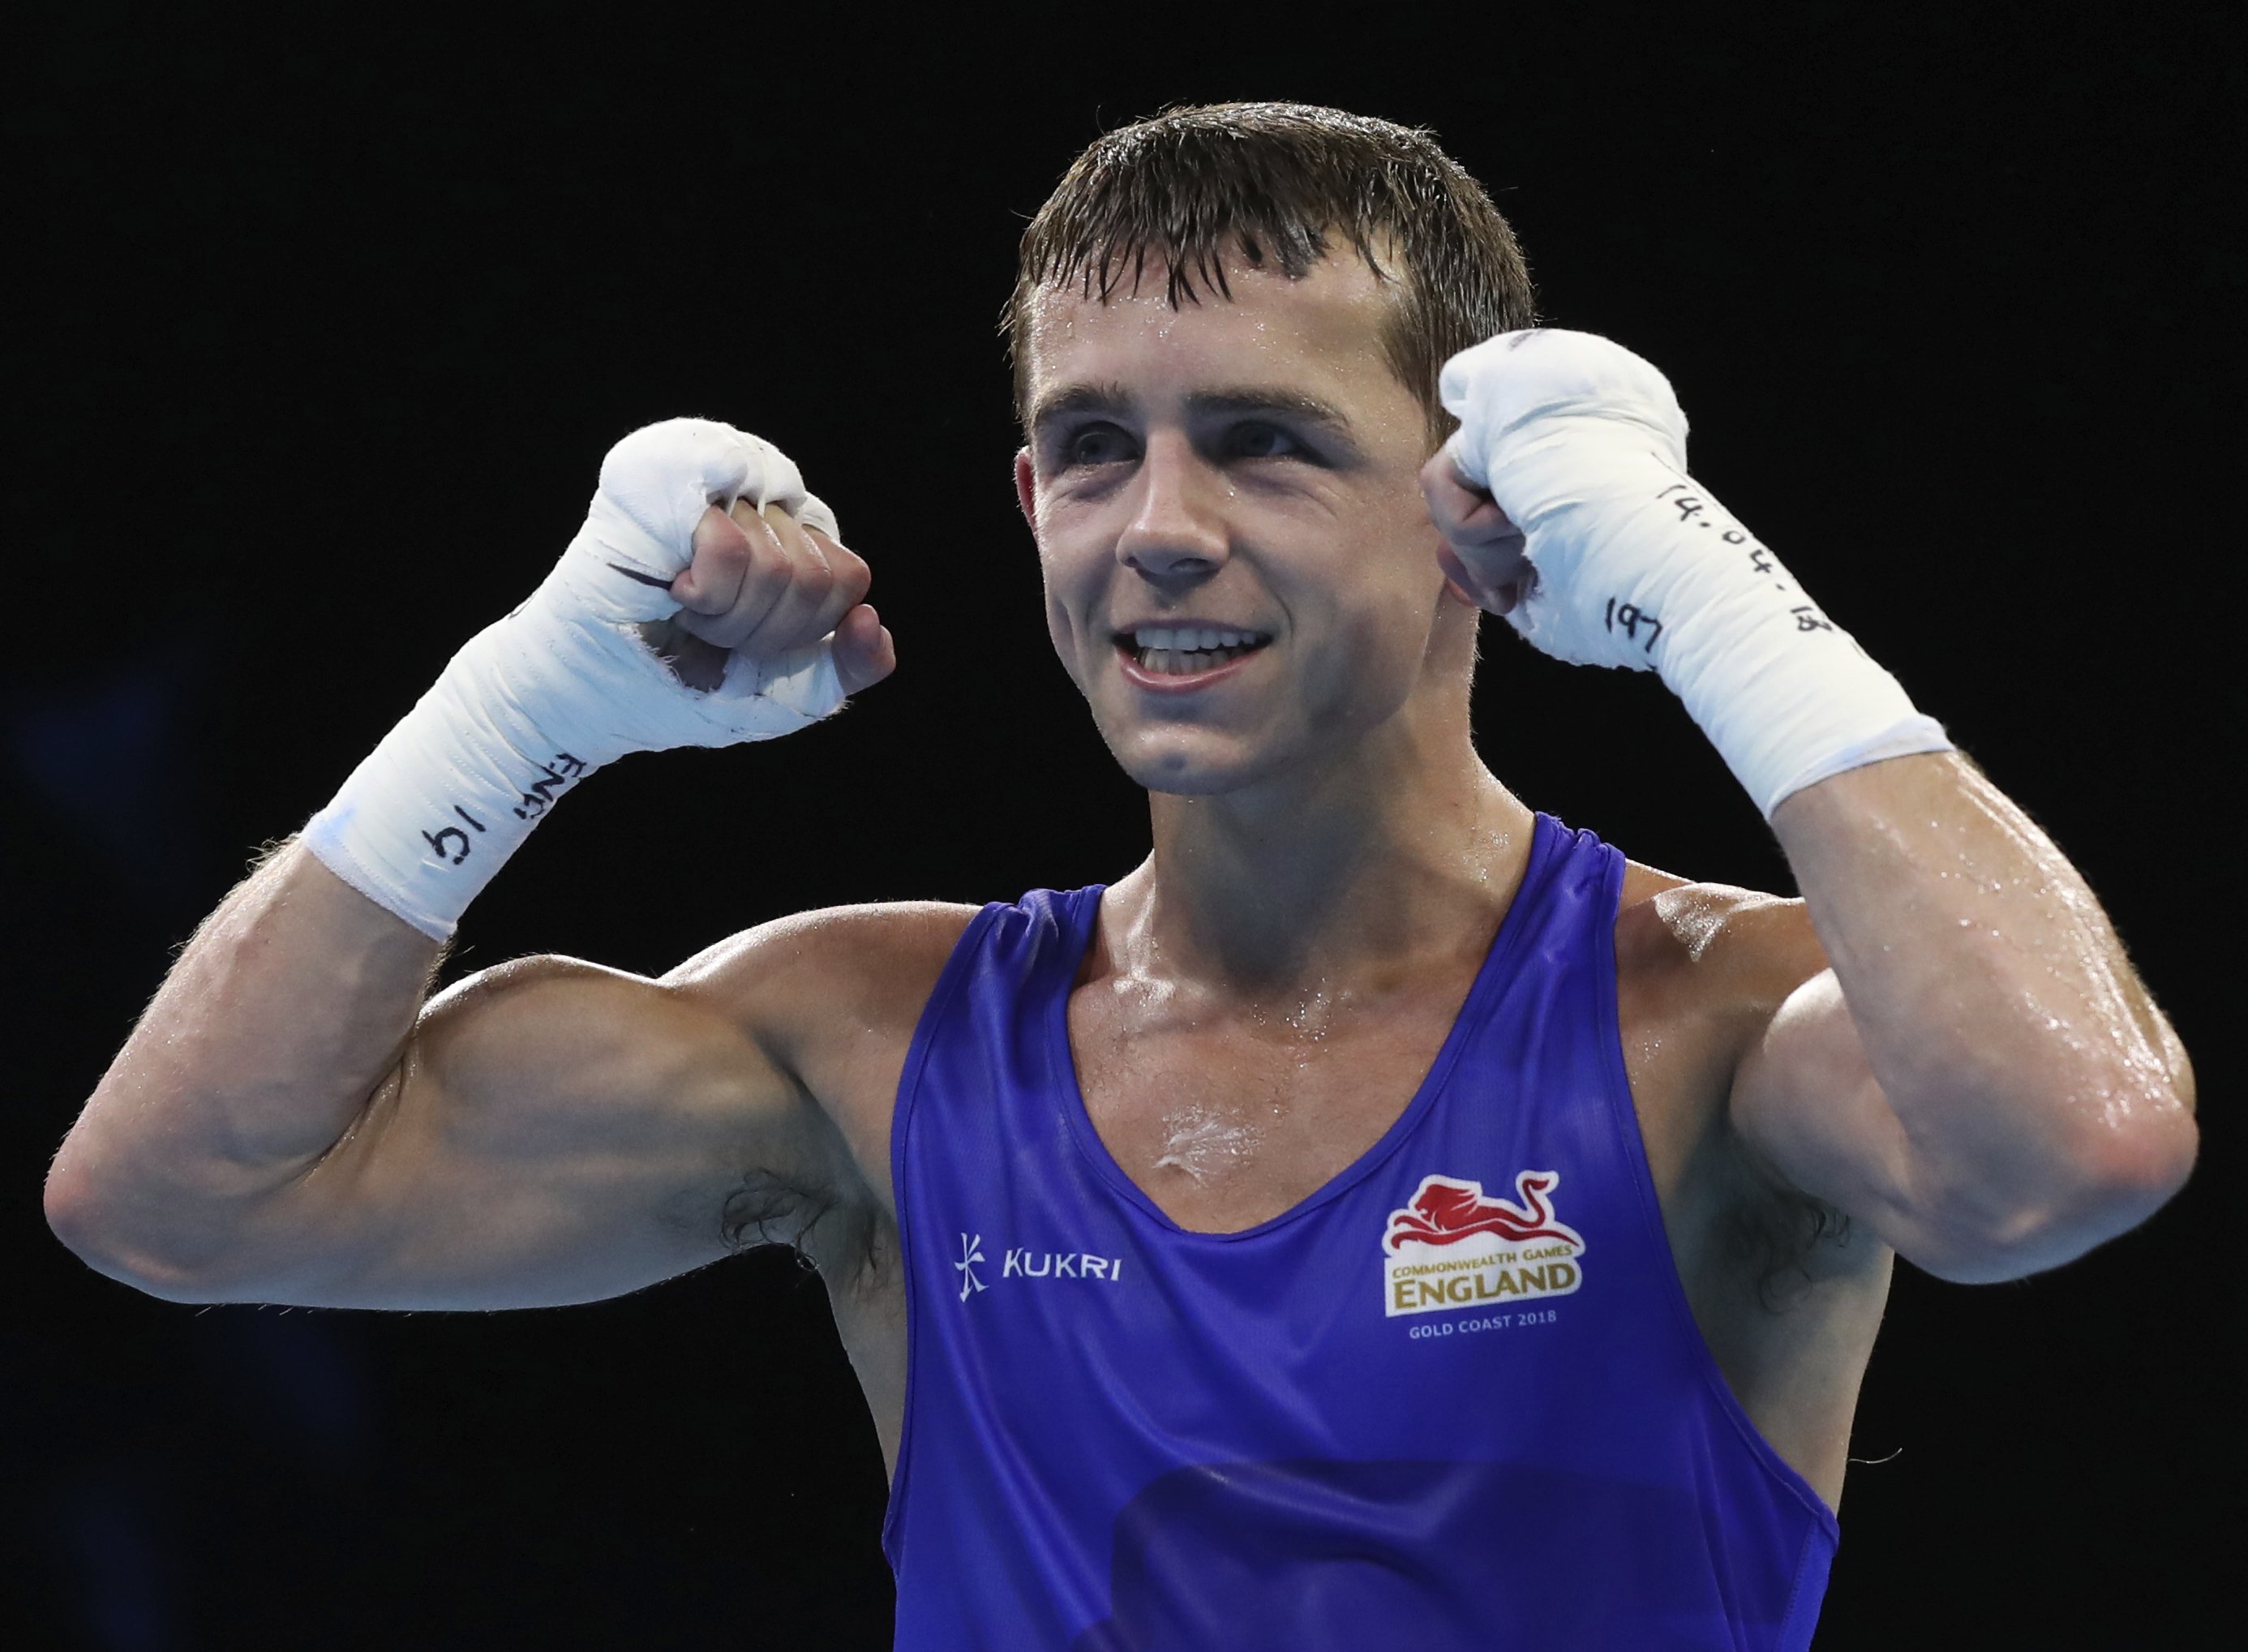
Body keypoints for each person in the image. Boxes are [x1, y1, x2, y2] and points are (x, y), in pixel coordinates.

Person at [44, 103, 2197, 1650]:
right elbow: (174, 1206)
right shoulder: (864, 1042)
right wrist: (519, 707)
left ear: (1475, 509)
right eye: (1094, 448)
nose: (1157, 527)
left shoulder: (1718, 1014)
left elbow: (2075, 1144)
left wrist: (1714, 600)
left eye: (1263, 441)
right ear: (1029, 502)